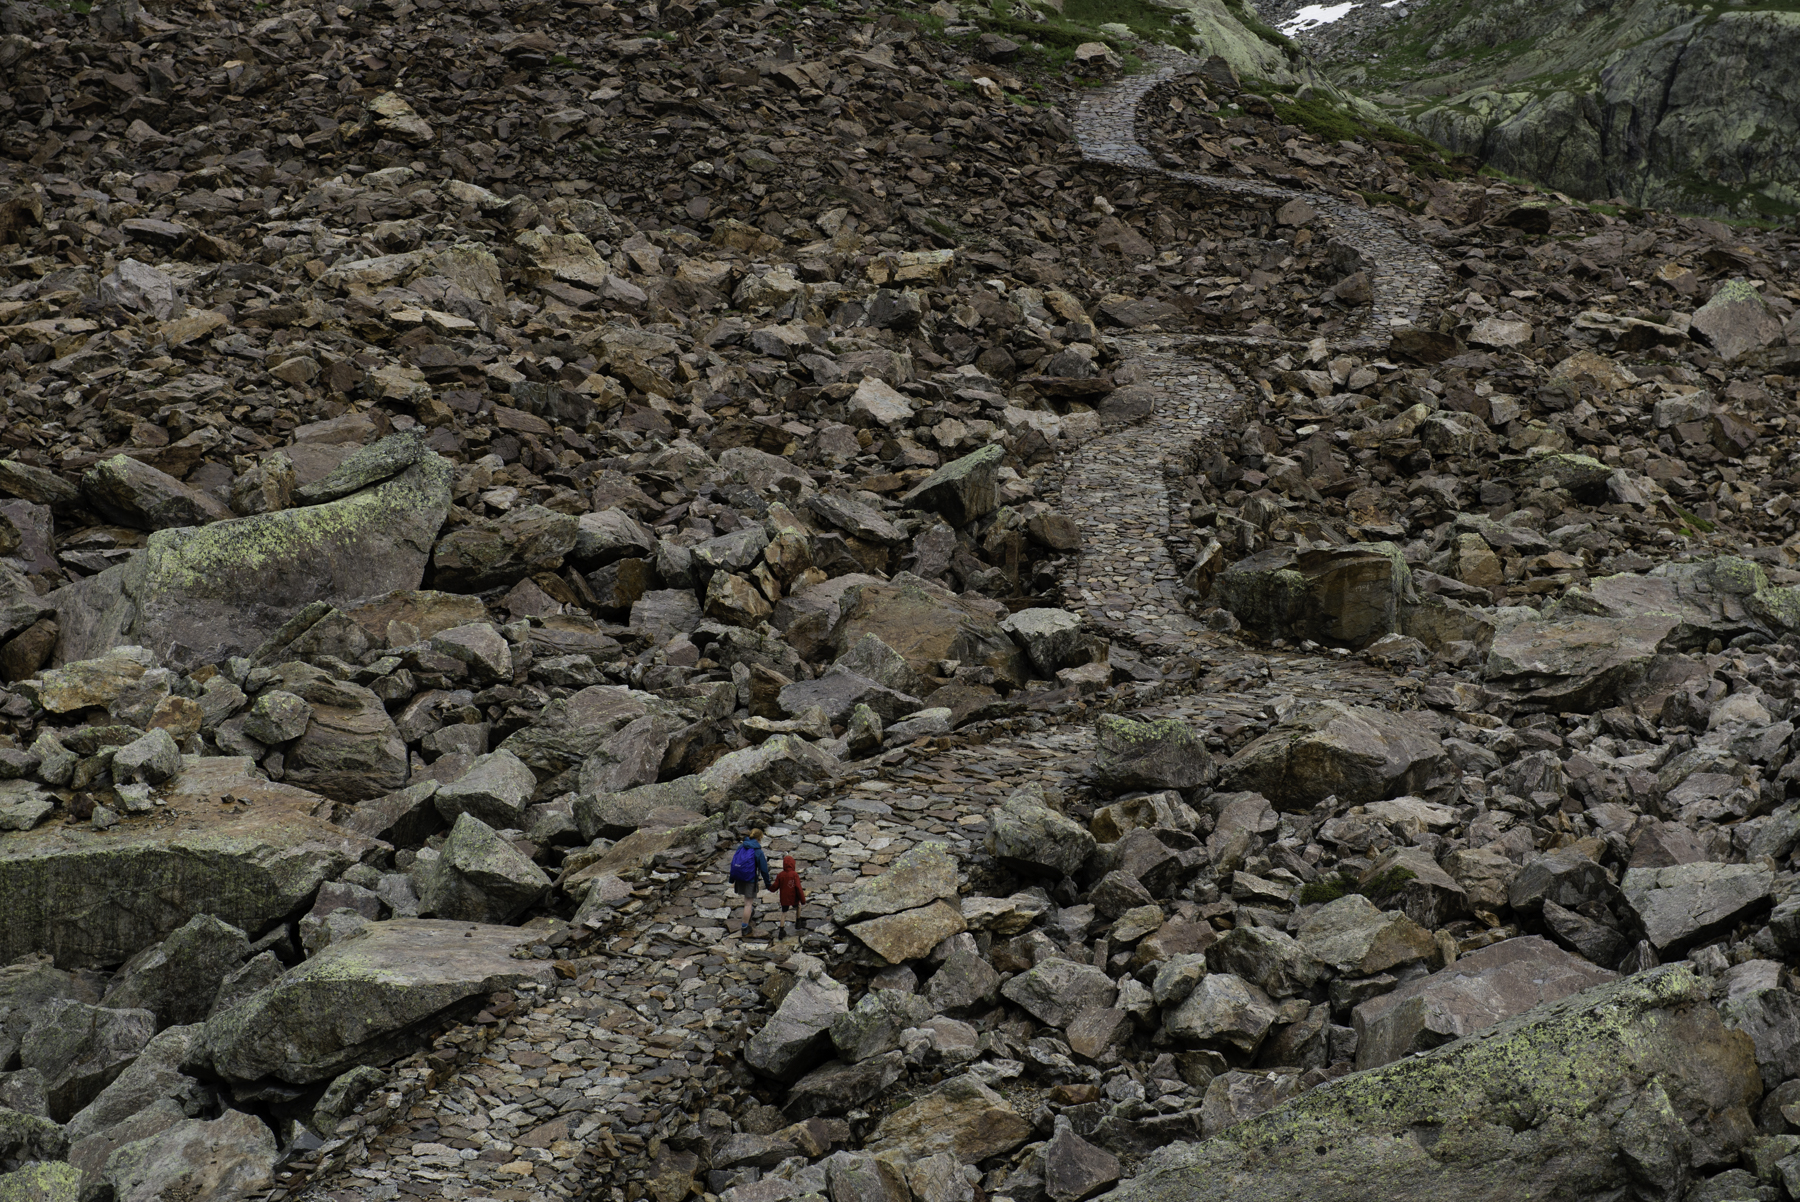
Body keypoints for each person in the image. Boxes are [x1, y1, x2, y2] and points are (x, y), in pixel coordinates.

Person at [729, 828, 773, 937]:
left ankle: (749, 914)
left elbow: (734, 862)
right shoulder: (758, 851)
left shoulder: (741, 847)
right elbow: (764, 870)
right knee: (748, 904)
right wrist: (768, 884)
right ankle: (745, 927)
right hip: (750, 879)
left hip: (739, 877)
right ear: (759, 838)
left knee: (746, 903)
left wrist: (731, 879)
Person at [770, 854, 806, 939]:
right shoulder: (794, 874)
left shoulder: (780, 875)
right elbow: (798, 887)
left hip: (784, 898)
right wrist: (803, 899)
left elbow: (775, 886)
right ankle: (798, 921)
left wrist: (770, 888)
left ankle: (781, 930)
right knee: (798, 906)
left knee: (784, 913)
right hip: (793, 896)